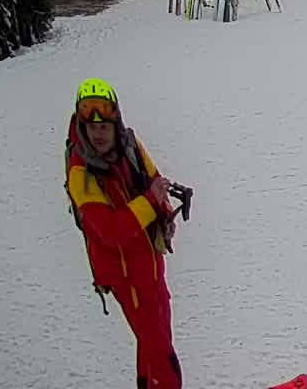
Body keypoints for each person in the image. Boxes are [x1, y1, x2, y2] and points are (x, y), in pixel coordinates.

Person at [66, 78, 183, 389]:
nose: (99, 133)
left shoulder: (129, 144)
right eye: (91, 127)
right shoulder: (81, 174)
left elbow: (153, 179)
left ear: (115, 121)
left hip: (151, 264)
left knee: (156, 342)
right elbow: (111, 231)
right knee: (164, 361)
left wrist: (165, 215)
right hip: (127, 278)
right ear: (82, 125)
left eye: (105, 125)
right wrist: (152, 200)